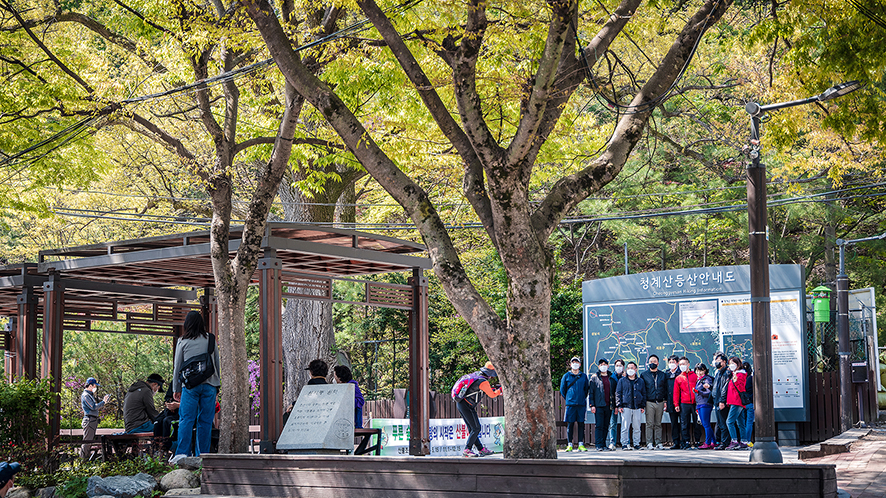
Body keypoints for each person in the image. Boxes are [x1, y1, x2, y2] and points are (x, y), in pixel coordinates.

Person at [169, 310, 220, 464]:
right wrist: (217, 385)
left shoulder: (183, 341)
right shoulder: (210, 339)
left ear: (187, 324)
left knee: (186, 419)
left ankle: (182, 453)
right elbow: (216, 363)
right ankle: (202, 455)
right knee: (205, 421)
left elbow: (177, 366)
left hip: (190, 386)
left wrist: (176, 388)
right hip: (210, 385)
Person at [456, 362, 502, 457]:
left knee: (472, 428)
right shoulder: (483, 382)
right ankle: (467, 450)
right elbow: (492, 395)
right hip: (466, 405)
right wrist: (500, 390)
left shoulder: (477, 375)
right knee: (476, 428)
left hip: (461, 403)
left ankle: (481, 449)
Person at [559, 356, 589, 452]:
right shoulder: (566, 376)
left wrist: (581, 397)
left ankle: (581, 444)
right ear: (570, 364)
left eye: (577, 362)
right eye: (573, 362)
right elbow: (562, 390)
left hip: (581, 404)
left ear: (580, 364)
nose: (575, 364)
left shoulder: (584, 376)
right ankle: (569, 444)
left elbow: (586, 390)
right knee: (570, 424)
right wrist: (569, 398)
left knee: (581, 424)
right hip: (570, 405)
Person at [588, 358, 617, 451]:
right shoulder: (594, 378)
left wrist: (615, 406)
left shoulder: (611, 378)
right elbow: (591, 392)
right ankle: (598, 444)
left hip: (609, 405)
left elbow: (615, 393)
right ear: (599, 366)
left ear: (608, 366)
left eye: (605, 364)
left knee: (606, 425)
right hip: (599, 405)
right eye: (601, 364)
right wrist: (592, 405)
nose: (603, 366)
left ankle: (604, 444)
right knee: (599, 425)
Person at [616, 361, 646, 450]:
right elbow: (618, 393)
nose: (630, 370)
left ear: (636, 370)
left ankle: (636, 444)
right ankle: (624, 444)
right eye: (628, 368)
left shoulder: (640, 381)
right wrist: (619, 405)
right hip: (626, 407)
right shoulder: (622, 381)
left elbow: (644, 393)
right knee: (625, 427)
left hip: (637, 407)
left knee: (637, 427)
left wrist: (642, 406)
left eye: (632, 368)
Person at [80, 376, 110, 459]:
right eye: (94, 386)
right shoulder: (85, 395)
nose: (95, 387)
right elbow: (93, 407)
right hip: (89, 420)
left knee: (89, 441)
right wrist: (103, 402)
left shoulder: (89, 395)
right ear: (90, 385)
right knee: (87, 441)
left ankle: (85, 460)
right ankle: (83, 461)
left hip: (92, 421)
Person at [641, 354, 666, 450]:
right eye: (651, 361)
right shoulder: (644, 375)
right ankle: (649, 442)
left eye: (654, 361)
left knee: (658, 424)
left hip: (660, 402)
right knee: (649, 423)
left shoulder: (662, 375)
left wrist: (665, 401)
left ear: (658, 363)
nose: (653, 363)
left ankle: (658, 442)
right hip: (649, 402)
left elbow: (665, 389)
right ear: (648, 363)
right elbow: (642, 390)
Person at [724, 356, 748, 450]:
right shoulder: (735, 374)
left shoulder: (740, 375)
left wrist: (736, 381)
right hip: (735, 402)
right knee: (741, 422)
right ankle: (743, 442)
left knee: (729, 422)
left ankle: (734, 441)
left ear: (738, 364)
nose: (731, 365)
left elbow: (741, 389)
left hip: (737, 402)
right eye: (730, 363)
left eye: (733, 363)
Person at [673, 356, 698, 450]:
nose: (682, 366)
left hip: (695, 403)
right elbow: (676, 392)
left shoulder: (695, 375)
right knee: (684, 424)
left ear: (688, 364)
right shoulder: (678, 378)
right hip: (684, 403)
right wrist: (676, 404)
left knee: (697, 423)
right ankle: (686, 442)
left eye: (684, 364)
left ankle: (697, 441)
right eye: (680, 364)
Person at [711, 352, 732, 450]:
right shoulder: (719, 372)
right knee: (720, 423)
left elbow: (724, 388)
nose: (716, 363)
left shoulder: (726, 373)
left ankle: (725, 443)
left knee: (723, 424)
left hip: (722, 402)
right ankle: (721, 442)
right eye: (716, 361)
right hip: (717, 401)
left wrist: (722, 401)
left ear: (724, 362)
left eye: (719, 361)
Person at [693, 363, 716, 449]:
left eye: (701, 370)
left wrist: (699, 392)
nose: (699, 372)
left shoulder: (707, 379)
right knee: (705, 423)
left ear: (705, 370)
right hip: (700, 404)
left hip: (705, 404)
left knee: (706, 424)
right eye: (697, 370)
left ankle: (708, 443)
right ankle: (713, 442)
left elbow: (708, 392)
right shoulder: (699, 379)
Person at [153, 384, 180, 455]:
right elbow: (167, 397)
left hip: (182, 412)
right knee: (157, 421)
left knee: (168, 421)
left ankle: (167, 446)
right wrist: (168, 403)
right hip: (170, 410)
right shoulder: (174, 383)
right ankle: (157, 448)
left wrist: (177, 405)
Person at [606, 358, 626, 449]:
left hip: (625, 405)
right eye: (617, 365)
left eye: (620, 366)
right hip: (613, 405)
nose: (618, 367)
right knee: (613, 424)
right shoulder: (611, 377)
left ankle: (625, 442)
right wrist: (615, 406)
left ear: (623, 367)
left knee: (625, 424)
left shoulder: (626, 377)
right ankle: (612, 442)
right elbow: (611, 392)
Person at [664, 355, 682, 449]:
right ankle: (676, 442)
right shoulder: (666, 374)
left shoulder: (681, 373)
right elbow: (665, 389)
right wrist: (665, 401)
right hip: (671, 402)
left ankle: (684, 442)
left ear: (677, 363)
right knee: (674, 423)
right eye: (670, 362)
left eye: (673, 362)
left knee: (683, 422)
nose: (672, 364)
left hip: (681, 402)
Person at [743, 361, 754, 448]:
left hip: (741, 403)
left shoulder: (740, 377)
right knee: (749, 422)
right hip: (750, 402)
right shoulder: (751, 378)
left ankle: (742, 440)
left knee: (741, 423)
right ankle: (748, 440)